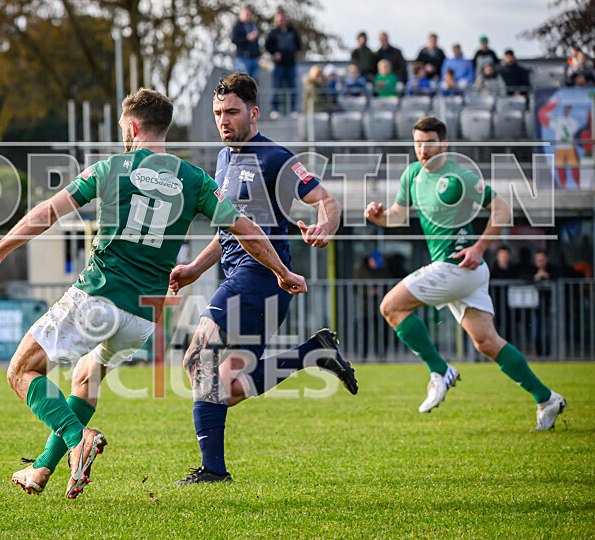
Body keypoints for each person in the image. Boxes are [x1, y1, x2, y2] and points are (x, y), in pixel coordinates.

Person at [0, 88, 308, 497]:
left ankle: (78, 440)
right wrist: (283, 271)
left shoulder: (111, 168)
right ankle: (40, 469)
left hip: (99, 296)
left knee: (21, 371)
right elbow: (247, 230)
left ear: (131, 126)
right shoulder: (195, 179)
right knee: (86, 377)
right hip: (143, 317)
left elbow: (48, 212)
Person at [167, 72, 355, 483]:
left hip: (262, 277)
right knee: (227, 387)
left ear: (253, 113)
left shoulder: (276, 158)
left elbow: (327, 200)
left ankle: (213, 471)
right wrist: (195, 268)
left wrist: (325, 226)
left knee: (198, 360)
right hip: (241, 275)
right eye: (218, 113)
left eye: (232, 112)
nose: (224, 120)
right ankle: (312, 353)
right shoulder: (222, 159)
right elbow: (231, 230)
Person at [365, 116, 566, 430]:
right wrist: (379, 218)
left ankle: (439, 370)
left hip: (456, 265)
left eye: (429, 142)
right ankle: (546, 398)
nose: (423, 149)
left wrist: (480, 246)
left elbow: (502, 209)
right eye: (418, 142)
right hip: (464, 273)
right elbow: (396, 216)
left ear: (444, 144)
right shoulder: (412, 175)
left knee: (391, 306)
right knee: (487, 343)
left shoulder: (459, 176)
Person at [265, 9, 302, 116]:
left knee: (292, 87)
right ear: (276, 19)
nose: (281, 20)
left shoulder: (292, 31)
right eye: (279, 18)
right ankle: (275, 110)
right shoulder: (273, 32)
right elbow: (268, 45)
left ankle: (294, 110)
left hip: (291, 64)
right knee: (277, 87)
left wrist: (298, 51)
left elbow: (298, 43)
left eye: (283, 18)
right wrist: (274, 53)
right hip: (279, 65)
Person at [231, 6, 261, 81]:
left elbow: (256, 43)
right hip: (242, 58)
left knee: (253, 82)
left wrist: (258, 55)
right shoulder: (237, 26)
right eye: (246, 14)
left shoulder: (253, 26)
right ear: (241, 14)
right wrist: (247, 38)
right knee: (242, 82)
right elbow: (234, 40)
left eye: (249, 14)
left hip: (253, 58)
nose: (248, 16)